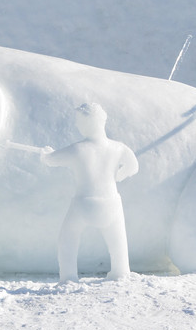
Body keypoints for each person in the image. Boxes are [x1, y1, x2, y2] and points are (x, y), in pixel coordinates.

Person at [43, 103, 139, 281]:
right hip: (112, 203)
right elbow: (133, 165)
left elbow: (52, 160)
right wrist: (119, 175)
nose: (78, 126)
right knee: (118, 242)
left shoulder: (78, 149)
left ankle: (69, 277)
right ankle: (121, 271)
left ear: (90, 122)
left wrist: (46, 154)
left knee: (68, 240)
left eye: (79, 121)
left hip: (84, 203)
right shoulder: (119, 147)